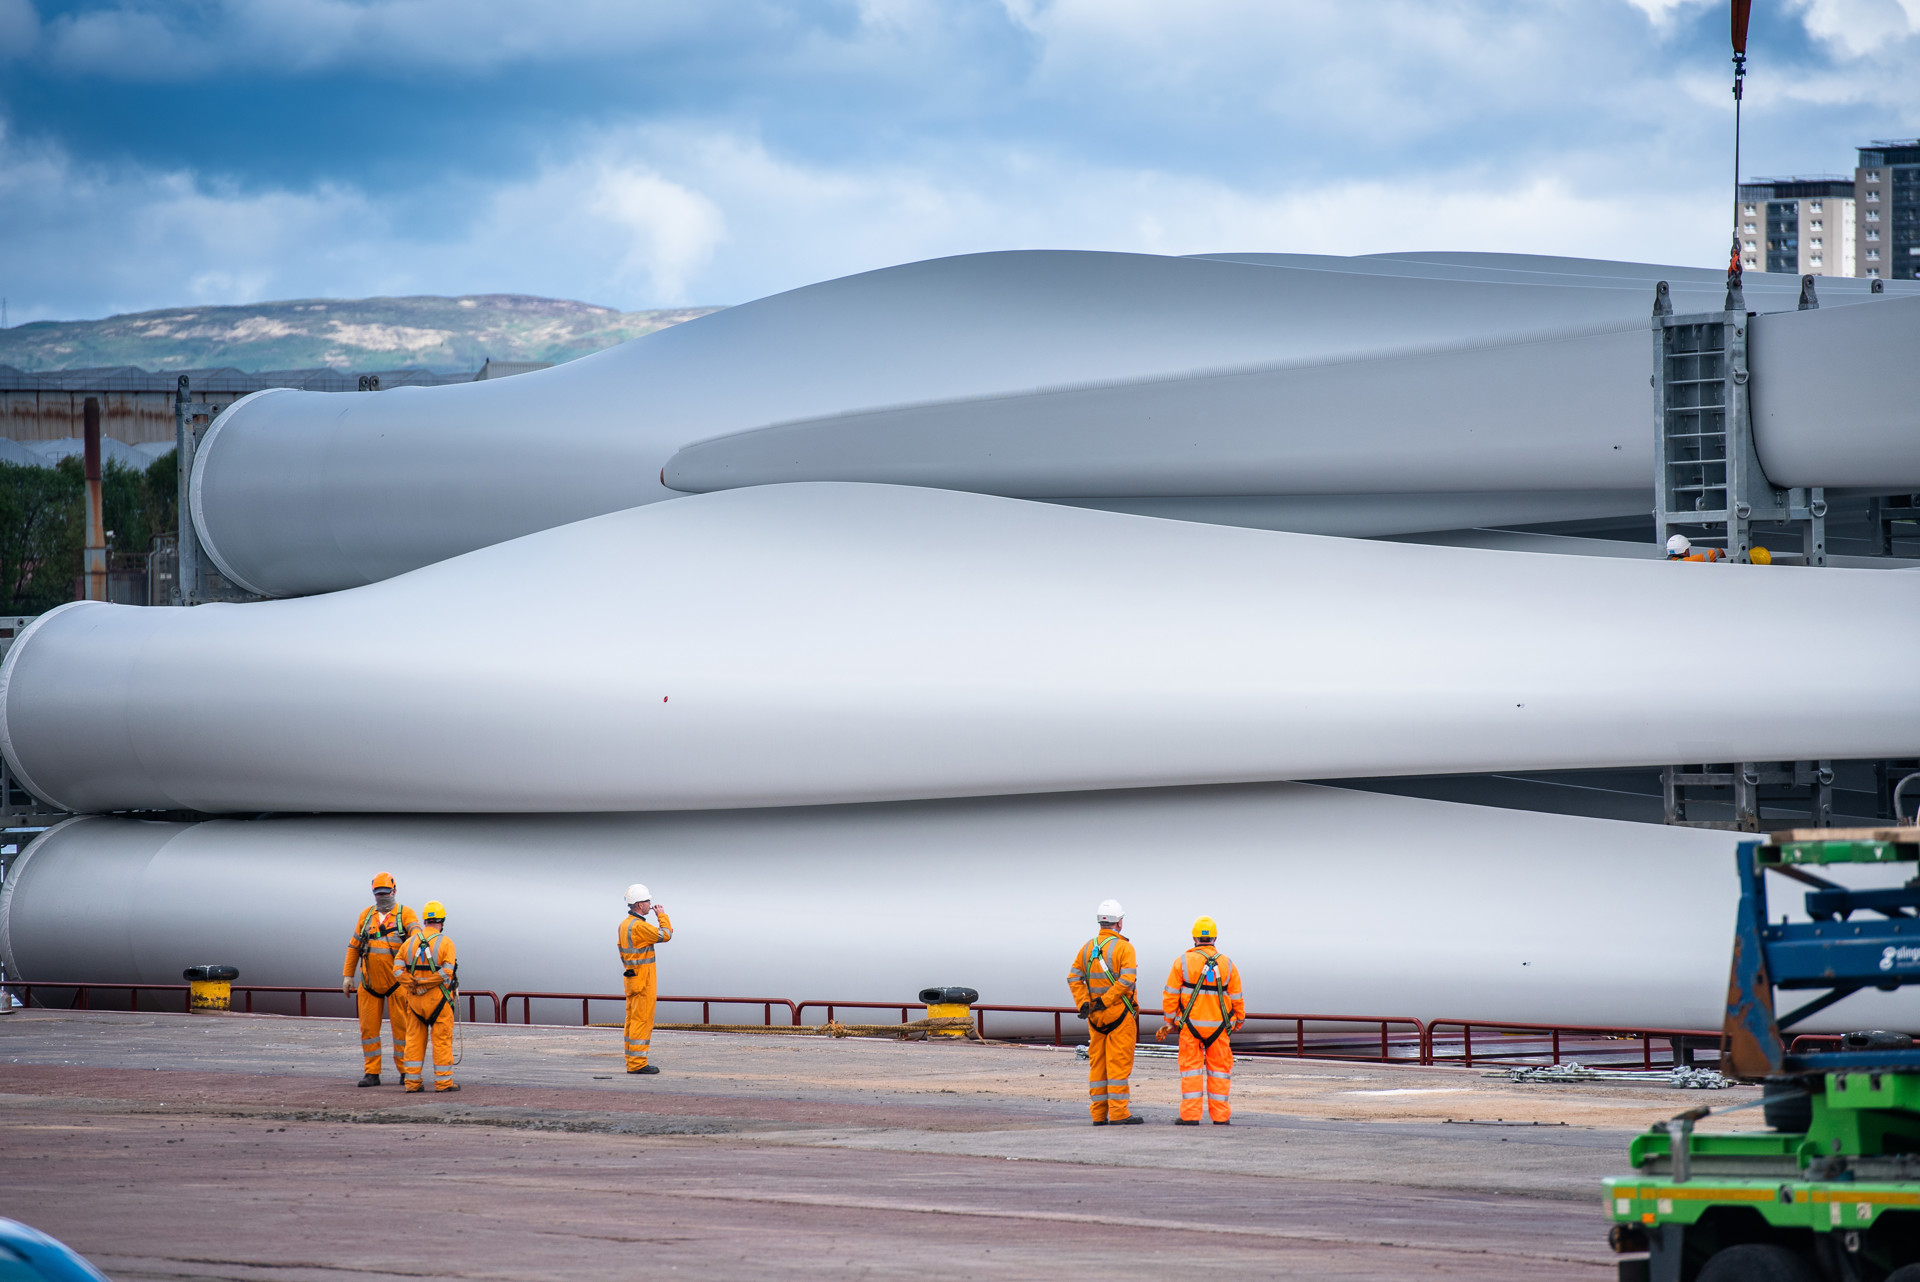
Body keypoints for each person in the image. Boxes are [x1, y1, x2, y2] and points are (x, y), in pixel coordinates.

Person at [1158, 916, 1244, 1125]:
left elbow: (1170, 995)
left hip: (1190, 1028)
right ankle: (1221, 1117)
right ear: (1215, 937)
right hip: (1219, 1030)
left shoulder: (1182, 962)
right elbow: (1236, 998)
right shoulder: (1227, 964)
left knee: (1191, 1073)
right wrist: (1237, 1022)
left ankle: (1190, 1116)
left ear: (1195, 937)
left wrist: (1171, 1021)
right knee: (1220, 1073)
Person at [340, 872, 420, 1087]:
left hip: (397, 984)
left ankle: (406, 1071)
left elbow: (417, 938)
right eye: (379, 894)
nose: (382, 897)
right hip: (369, 984)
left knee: (402, 1029)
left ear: (394, 891)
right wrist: (348, 976)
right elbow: (354, 946)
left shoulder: (405, 914)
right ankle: (371, 1072)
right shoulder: (366, 916)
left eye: (385, 893)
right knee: (368, 1030)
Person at [1066, 898, 1142, 1126]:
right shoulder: (1124, 948)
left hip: (1095, 1019)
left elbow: (1073, 977)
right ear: (1119, 923)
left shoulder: (1087, 948)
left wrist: (1085, 1004)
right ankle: (1119, 1114)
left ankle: (1098, 1115)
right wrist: (1104, 1001)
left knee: (1097, 1065)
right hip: (1119, 1016)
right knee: (1118, 1064)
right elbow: (1127, 981)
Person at [396, 900, 459, 1093]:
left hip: (415, 1002)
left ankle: (412, 1083)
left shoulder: (409, 943)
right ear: (442, 921)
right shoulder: (445, 942)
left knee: (413, 1041)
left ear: (424, 920)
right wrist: (426, 984)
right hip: (439, 1001)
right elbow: (447, 972)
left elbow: (397, 971)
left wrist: (413, 984)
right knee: (441, 1041)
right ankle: (443, 1083)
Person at [618, 884, 674, 1075]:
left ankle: (631, 1059)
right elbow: (666, 935)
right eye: (648, 901)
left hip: (631, 977)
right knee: (642, 1020)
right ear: (640, 904)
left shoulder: (625, 925)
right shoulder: (640, 926)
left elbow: (622, 951)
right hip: (643, 980)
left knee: (632, 1020)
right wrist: (662, 915)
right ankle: (637, 1063)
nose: (650, 904)